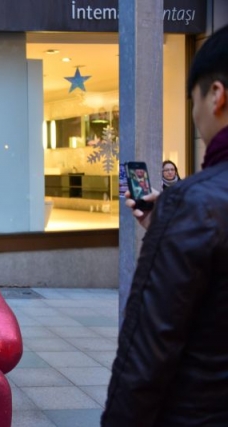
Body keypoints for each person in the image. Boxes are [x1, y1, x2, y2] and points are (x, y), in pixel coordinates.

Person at [102, 24, 228, 426]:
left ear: (216, 96)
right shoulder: (190, 209)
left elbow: (147, 352)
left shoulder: (194, 204)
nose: (193, 116)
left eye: (191, 100)